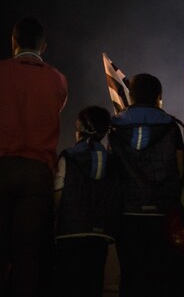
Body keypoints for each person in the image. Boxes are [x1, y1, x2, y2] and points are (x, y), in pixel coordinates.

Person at [0, 17, 68, 296]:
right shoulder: (57, 79)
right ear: (44, 47)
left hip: (2, 166)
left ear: (13, 41)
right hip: (38, 173)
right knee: (28, 256)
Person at [109, 73, 184, 297]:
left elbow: (111, 168)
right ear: (158, 97)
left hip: (127, 214)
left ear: (131, 97)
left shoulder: (114, 126)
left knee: (132, 278)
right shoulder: (172, 126)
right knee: (162, 279)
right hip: (164, 214)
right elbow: (180, 168)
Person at [54, 106, 120, 297]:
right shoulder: (112, 161)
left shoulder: (69, 156)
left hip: (70, 233)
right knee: (93, 285)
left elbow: (58, 193)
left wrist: (56, 220)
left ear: (79, 129)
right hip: (100, 234)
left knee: (68, 286)